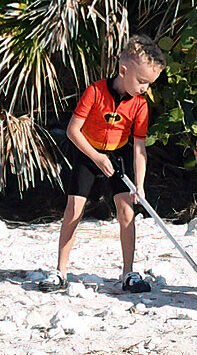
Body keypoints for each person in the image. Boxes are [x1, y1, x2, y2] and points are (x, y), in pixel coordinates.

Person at [38, 36, 167, 294]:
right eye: (142, 81)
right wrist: (96, 157)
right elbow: (74, 131)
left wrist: (139, 185)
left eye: (149, 84)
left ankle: (129, 272)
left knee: (127, 211)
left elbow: (139, 148)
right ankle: (60, 272)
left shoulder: (140, 105)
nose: (144, 88)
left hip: (117, 156)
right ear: (123, 71)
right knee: (74, 209)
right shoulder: (95, 91)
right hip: (88, 154)